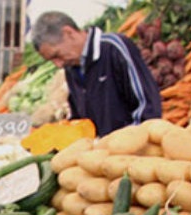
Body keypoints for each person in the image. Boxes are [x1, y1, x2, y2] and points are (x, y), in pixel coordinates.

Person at [30, 11, 162, 136]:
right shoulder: (71, 68)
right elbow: (80, 120)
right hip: (99, 155)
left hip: (131, 152)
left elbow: (147, 105)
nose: (58, 64)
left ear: (69, 33)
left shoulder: (114, 48)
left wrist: (129, 141)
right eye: (51, 60)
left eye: (56, 55)